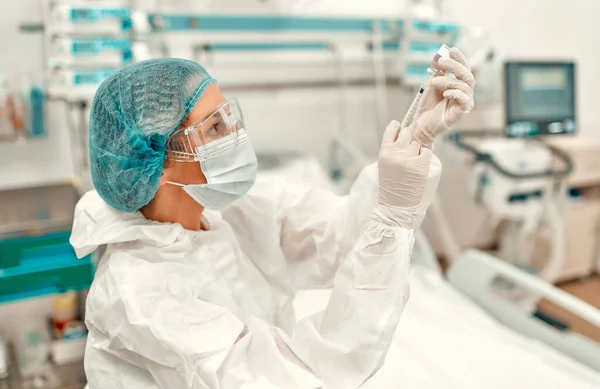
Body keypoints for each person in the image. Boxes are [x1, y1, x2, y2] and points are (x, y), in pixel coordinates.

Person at [70, 49, 475, 389]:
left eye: (230, 116)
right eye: (215, 127)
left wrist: (415, 139)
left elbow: (334, 237)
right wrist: (391, 216)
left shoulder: (224, 212)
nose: (236, 134)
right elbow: (303, 376)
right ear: (158, 162)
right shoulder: (142, 295)